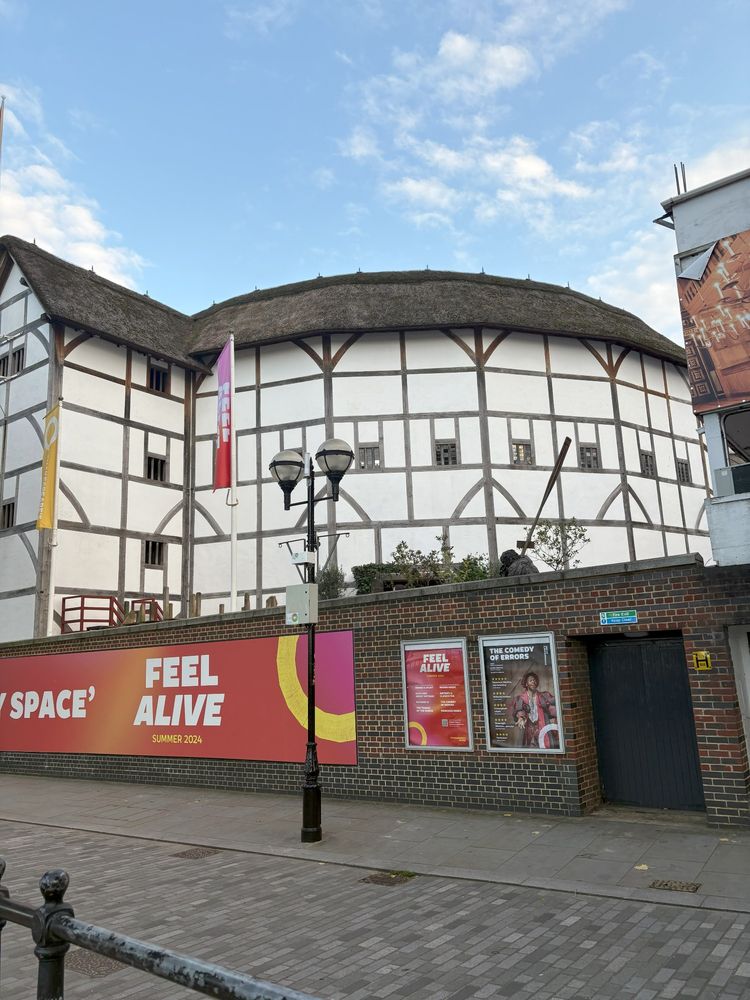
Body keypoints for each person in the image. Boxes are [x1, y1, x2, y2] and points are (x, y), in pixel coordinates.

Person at [511, 671, 558, 749]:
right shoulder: (521, 698)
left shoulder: (543, 696)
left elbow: (552, 707)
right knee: (527, 749)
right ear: (526, 684)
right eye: (531, 680)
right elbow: (519, 709)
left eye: (534, 680)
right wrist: (521, 717)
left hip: (542, 727)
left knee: (545, 747)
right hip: (528, 729)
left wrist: (556, 714)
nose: (533, 682)